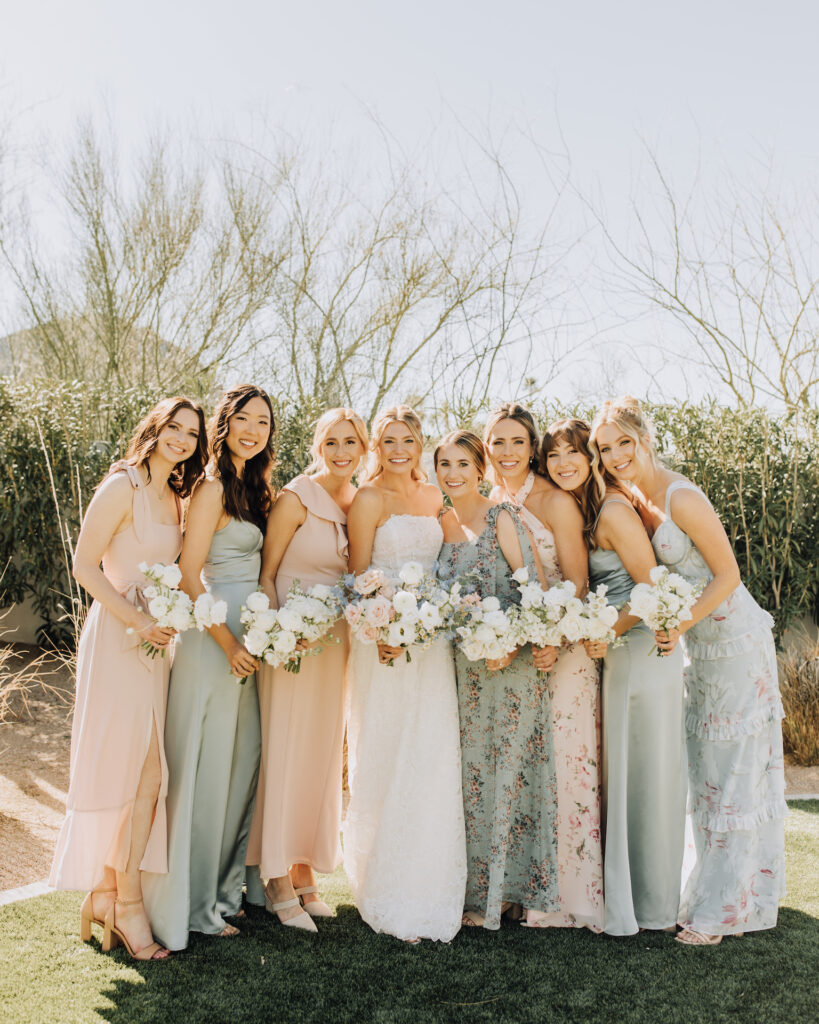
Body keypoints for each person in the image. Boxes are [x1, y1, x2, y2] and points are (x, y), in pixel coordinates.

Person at [593, 396, 786, 945]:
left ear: (644, 437)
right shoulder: (632, 496)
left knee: (734, 773)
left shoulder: (681, 495)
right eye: (605, 449)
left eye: (623, 443)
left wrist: (679, 623)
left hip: (735, 642)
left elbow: (728, 574)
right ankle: (713, 890)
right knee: (707, 774)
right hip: (696, 651)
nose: (614, 456)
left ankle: (724, 912)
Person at [50, 397, 207, 961]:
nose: (183, 440)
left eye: (193, 433)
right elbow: (84, 565)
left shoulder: (177, 496)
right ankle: (125, 902)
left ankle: (109, 893)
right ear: (155, 428)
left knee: (149, 775)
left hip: (156, 646)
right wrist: (139, 618)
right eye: (175, 428)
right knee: (134, 769)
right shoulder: (122, 486)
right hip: (119, 640)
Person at [143, 384, 273, 950]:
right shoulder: (212, 487)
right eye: (242, 418)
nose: (252, 428)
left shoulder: (253, 488)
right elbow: (192, 572)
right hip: (210, 644)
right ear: (224, 423)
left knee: (237, 768)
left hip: (247, 645)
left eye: (263, 422)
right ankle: (190, 906)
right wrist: (225, 641)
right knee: (201, 770)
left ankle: (221, 894)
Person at [547, 415, 686, 936]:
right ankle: (634, 896)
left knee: (646, 773)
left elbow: (656, 589)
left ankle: (651, 906)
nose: (563, 464)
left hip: (641, 649)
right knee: (629, 773)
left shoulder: (612, 509)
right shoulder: (591, 509)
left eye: (573, 453)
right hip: (621, 649)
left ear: (591, 458)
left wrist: (606, 627)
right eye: (553, 456)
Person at [343, 405, 467, 943]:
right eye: (389, 440)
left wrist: (434, 614)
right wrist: (383, 630)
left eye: (408, 440)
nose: (399, 449)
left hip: (432, 644)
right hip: (384, 643)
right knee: (388, 749)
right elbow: (357, 579)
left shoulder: (436, 496)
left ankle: (432, 882)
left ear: (421, 444)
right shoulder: (367, 499)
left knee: (432, 754)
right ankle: (382, 883)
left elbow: (448, 567)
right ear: (377, 445)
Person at [246, 408, 368, 930]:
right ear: (318, 445)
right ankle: (274, 878)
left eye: (352, 442)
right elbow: (266, 574)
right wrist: (279, 637)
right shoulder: (296, 496)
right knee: (286, 752)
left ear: (364, 448)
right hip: (291, 646)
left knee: (320, 757)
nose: (342, 451)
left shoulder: (358, 501)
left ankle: (303, 872)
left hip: (335, 645)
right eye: (332, 441)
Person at [436, 430, 561, 929]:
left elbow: (535, 585)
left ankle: (509, 894)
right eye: (444, 464)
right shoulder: (441, 522)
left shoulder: (500, 516)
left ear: (479, 468)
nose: (453, 473)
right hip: (464, 672)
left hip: (512, 664)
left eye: (463, 463)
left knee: (511, 773)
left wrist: (511, 642)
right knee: (472, 779)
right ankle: (476, 889)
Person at [487, 404, 604, 932]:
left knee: (564, 766)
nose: (507, 452)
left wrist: (552, 638)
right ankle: (517, 888)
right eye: (498, 442)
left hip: (565, 650)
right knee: (520, 770)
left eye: (517, 442)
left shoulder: (555, 501)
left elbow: (577, 582)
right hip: (516, 659)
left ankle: (565, 896)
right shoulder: (490, 501)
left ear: (531, 447)